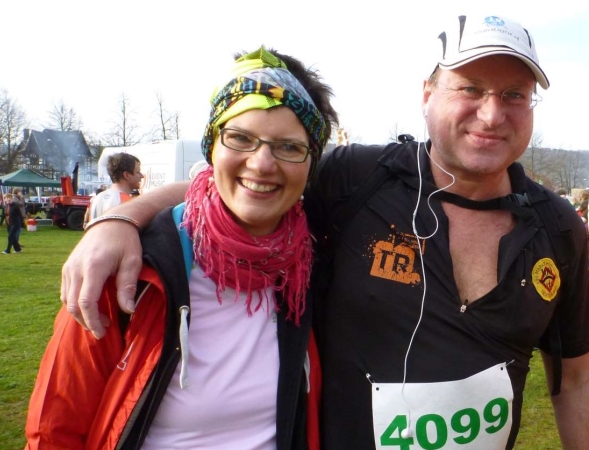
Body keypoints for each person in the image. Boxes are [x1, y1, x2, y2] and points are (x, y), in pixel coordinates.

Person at [59, 15, 589, 450]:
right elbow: (245, 182)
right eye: (470, 88)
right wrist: (121, 218)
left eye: (514, 94)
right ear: (427, 94)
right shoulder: (357, 178)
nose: (492, 114)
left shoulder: (560, 228)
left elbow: (576, 380)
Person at [26, 46, 339, 449]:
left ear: (311, 163)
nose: (262, 164)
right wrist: (118, 220)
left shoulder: (313, 262)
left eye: (289, 147)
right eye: (240, 138)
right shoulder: (131, 267)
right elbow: (54, 430)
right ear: (212, 147)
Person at [82, 152, 144, 228]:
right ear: (126, 175)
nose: (142, 176)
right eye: (138, 172)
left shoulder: (96, 199)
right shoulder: (127, 202)